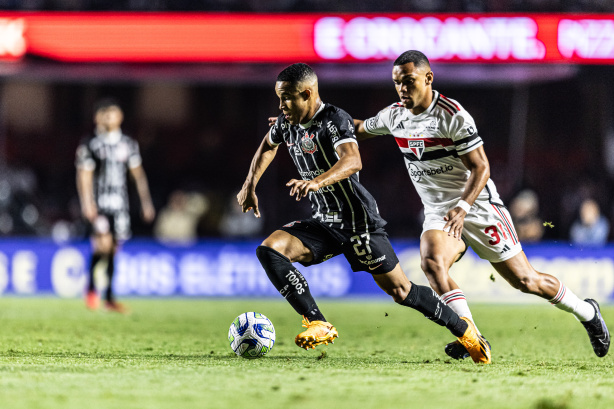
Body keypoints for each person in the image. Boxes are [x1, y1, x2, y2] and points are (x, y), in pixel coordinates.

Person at [352, 50, 610, 359]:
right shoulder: (394, 115)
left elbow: (481, 167)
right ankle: (470, 335)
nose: (403, 90)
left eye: (409, 81)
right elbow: (356, 129)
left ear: (428, 78)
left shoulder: (452, 115)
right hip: (440, 212)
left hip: (478, 206)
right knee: (432, 261)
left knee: (526, 280)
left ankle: (587, 312)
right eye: (397, 84)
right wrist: (317, 119)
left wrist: (463, 207)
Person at [238, 63, 491, 364]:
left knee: (401, 291)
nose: (281, 106)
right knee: (270, 250)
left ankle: (467, 333)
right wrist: (249, 185)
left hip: (359, 223)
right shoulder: (287, 122)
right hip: (324, 221)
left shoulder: (334, 120)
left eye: (288, 98)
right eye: (279, 98)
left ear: (307, 93)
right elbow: (269, 143)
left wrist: (315, 182)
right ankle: (317, 322)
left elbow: (353, 160)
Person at [76, 98, 155, 313]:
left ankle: (107, 295)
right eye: (105, 113)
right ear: (98, 117)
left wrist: (146, 202)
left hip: (120, 205)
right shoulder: (91, 143)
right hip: (100, 204)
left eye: (112, 113)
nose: (108, 117)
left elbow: (137, 175)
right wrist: (87, 202)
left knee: (112, 250)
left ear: (120, 117)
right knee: (103, 245)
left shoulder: (128, 144)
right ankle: (94, 289)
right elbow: (84, 175)